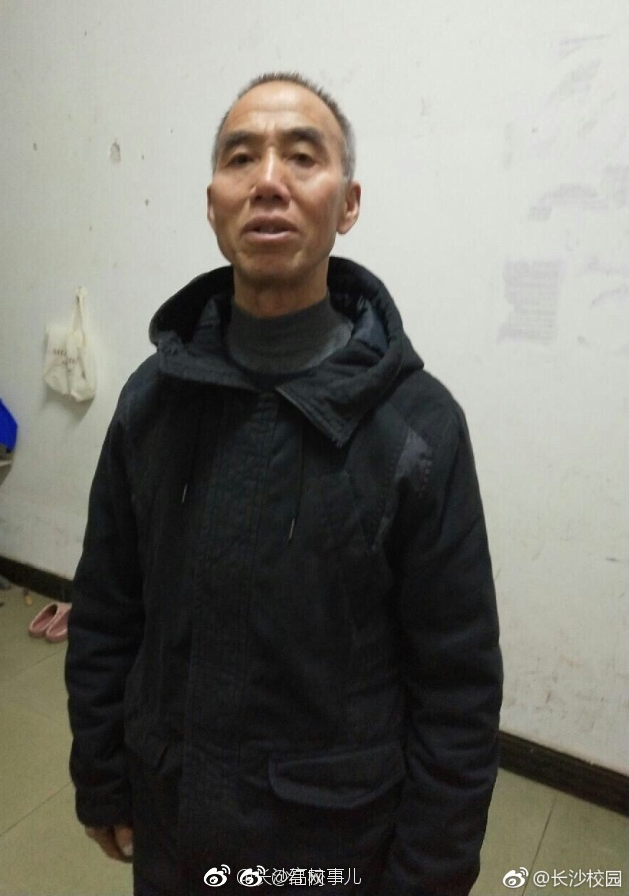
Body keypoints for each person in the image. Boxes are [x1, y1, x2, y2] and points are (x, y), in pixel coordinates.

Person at [65, 72, 503, 896]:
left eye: (303, 156)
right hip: (172, 826)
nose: (268, 180)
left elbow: (458, 689)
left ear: (349, 204)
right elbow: (106, 610)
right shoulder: (151, 402)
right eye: (241, 158)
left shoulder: (418, 428)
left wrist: (431, 875)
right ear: (213, 204)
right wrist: (101, 772)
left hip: (334, 846)